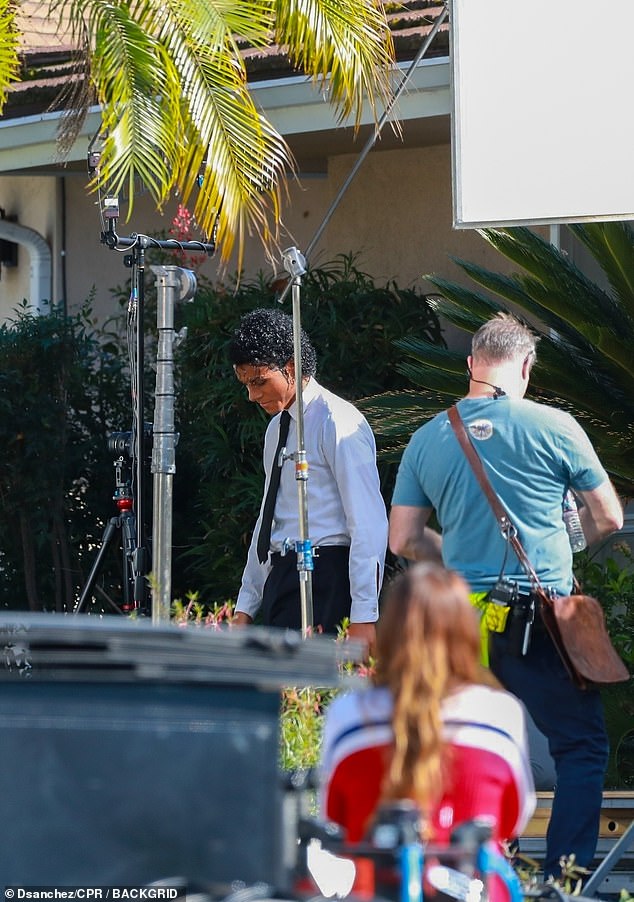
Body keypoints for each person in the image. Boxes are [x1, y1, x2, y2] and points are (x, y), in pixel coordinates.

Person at [389, 312, 624, 878]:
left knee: (464, 747)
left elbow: (403, 538)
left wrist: (460, 565)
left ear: (471, 365)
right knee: (581, 747)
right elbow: (610, 516)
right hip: (540, 621)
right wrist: (567, 550)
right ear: (525, 366)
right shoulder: (557, 426)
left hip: (461, 625)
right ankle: (562, 881)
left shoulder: (428, 437)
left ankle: (476, 874)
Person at [319, 563, 536, 899]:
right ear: (466, 632)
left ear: (388, 633)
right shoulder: (500, 713)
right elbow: (513, 820)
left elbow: (334, 822)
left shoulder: (348, 715)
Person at [228, 307, 388, 648]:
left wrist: (364, 614)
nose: (252, 396)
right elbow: (270, 518)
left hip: (328, 575)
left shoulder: (337, 421)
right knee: (281, 695)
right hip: (282, 576)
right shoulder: (275, 430)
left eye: (258, 381)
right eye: (246, 384)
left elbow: (367, 521)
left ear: (290, 367)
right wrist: (246, 604)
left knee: (318, 695)